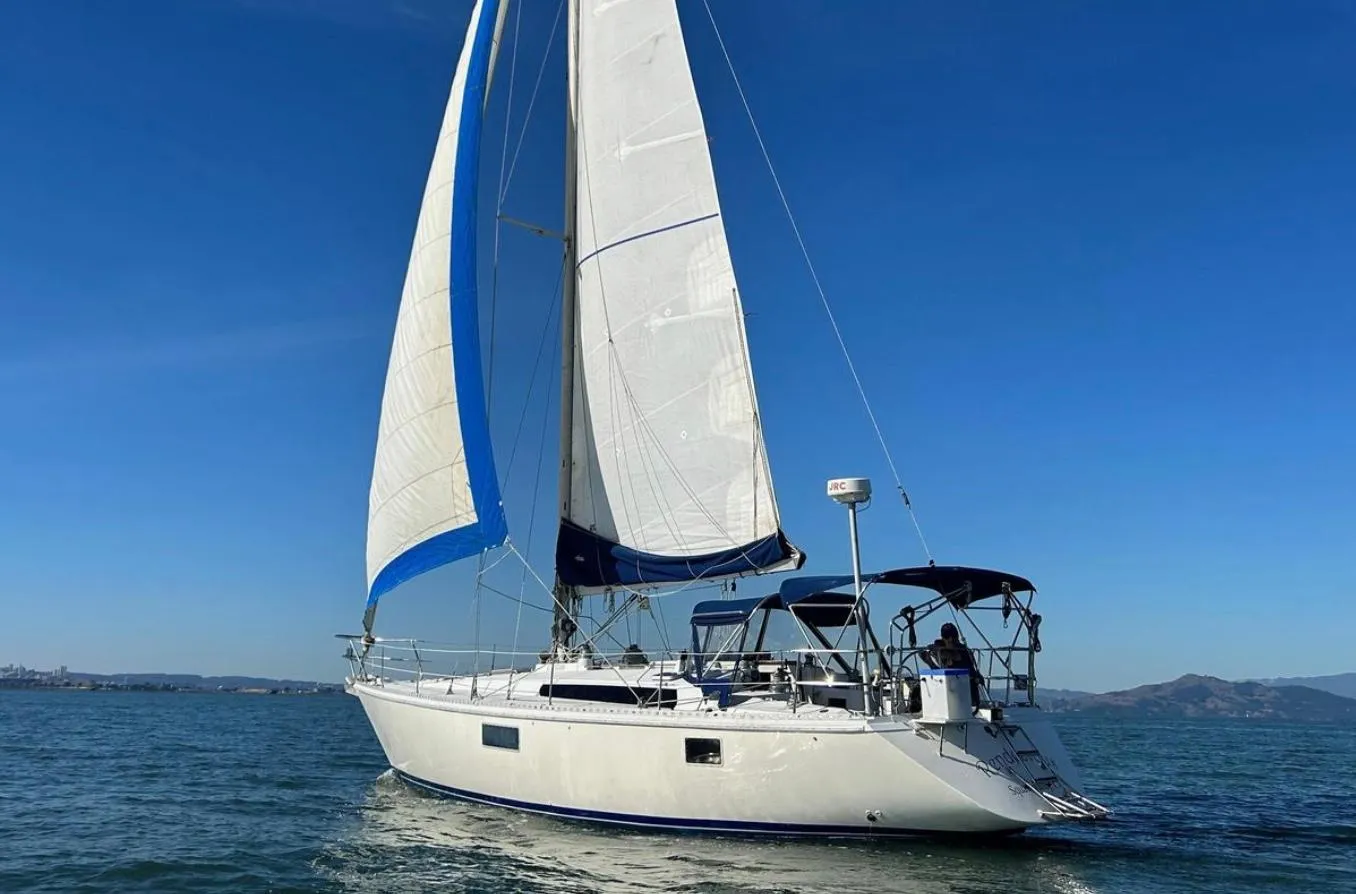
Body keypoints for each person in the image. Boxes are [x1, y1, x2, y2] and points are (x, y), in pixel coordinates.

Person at [925, 622, 984, 708]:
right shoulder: (938, 648)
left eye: (953, 637)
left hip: (966, 692)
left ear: (957, 638)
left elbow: (964, 664)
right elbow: (929, 649)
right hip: (949, 691)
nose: (950, 640)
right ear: (943, 638)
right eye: (947, 637)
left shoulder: (964, 651)